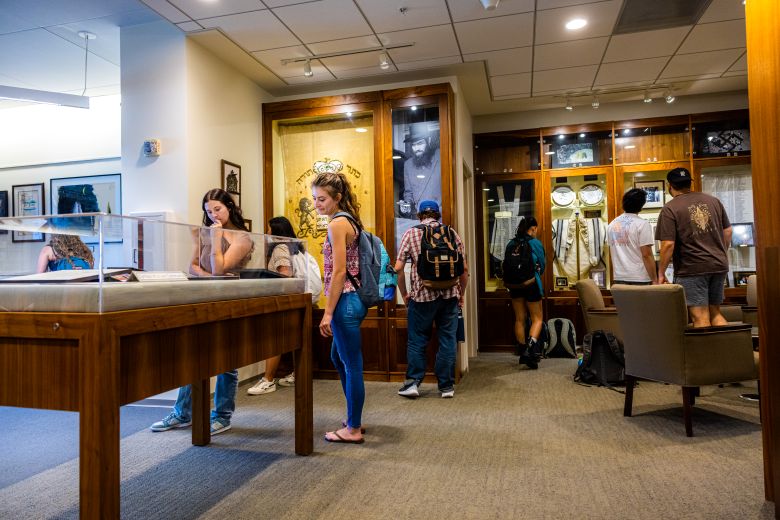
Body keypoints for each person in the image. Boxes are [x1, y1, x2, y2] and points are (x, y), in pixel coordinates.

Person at [151, 188, 253, 435]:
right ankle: (183, 412)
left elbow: (220, 268)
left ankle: (222, 415)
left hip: (230, 300)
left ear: (230, 207)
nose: (213, 214)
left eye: (218, 209)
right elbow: (192, 266)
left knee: (226, 359)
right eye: (208, 211)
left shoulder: (242, 238)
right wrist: (211, 276)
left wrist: (216, 242)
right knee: (194, 354)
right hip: (205, 297)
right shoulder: (206, 233)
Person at [312, 171, 368, 444]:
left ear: (337, 198)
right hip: (354, 300)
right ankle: (353, 415)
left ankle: (353, 428)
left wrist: (328, 311)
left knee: (352, 364)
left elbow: (339, 273)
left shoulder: (337, 224)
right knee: (340, 358)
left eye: (321, 198)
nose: (316, 204)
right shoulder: (351, 220)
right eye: (314, 199)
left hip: (345, 301)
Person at [396, 200, 469, 398]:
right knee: (447, 340)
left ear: (420, 215)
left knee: (417, 340)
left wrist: (404, 294)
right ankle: (446, 386)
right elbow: (464, 271)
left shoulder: (411, 233)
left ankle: (413, 383)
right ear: (437, 214)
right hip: (449, 296)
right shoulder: (451, 233)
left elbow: (398, 269)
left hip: (421, 296)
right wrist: (460, 295)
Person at [656, 167, 732, 327]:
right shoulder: (713, 201)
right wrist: (720, 252)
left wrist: (661, 273)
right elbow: (728, 232)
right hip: (719, 265)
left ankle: (706, 353)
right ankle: (725, 351)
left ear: (670, 185)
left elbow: (668, 244)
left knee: (700, 317)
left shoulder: (670, 208)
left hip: (693, 268)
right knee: (716, 313)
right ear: (689, 183)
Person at [247, 216, 300, 395]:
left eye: (269, 229)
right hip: (300, 299)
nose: (266, 233)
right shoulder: (296, 247)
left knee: (273, 340)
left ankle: (268, 380)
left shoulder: (280, 248)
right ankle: (295, 373)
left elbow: (285, 274)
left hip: (283, 300)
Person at [506, 217, 546, 370]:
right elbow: (542, 266)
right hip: (531, 284)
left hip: (514, 285)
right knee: (537, 318)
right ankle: (530, 351)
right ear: (533, 228)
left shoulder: (511, 243)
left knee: (520, 319)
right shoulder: (534, 243)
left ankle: (522, 351)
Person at [607, 188, 657, 285]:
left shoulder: (612, 224)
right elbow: (646, 254)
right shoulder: (642, 224)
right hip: (640, 278)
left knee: (623, 301)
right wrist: (654, 279)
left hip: (619, 277)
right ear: (641, 205)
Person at [400, 127, 442, 215]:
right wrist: (406, 204)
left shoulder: (440, 156)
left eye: (420, 143)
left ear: (428, 141)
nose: (416, 148)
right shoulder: (408, 165)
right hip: (419, 216)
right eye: (413, 145)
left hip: (440, 215)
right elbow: (408, 192)